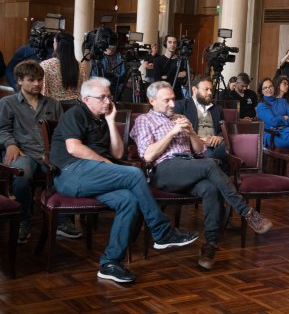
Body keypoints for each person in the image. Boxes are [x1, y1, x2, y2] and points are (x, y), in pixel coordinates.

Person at [50, 77, 199, 282]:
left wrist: (111, 122)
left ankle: (110, 263)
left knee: (128, 200)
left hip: (94, 176)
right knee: (135, 174)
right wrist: (105, 163)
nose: (107, 101)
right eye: (102, 97)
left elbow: (118, 154)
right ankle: (161, 231)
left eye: (109, 96)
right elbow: (73, 148)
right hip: (70, 175)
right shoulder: (75, 114)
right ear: (86, 99)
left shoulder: (103, 119)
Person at [131, 81, 272, 270]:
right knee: (209, 165)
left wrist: (191, 133)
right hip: (164, 170)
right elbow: (147, 155)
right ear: (152, 101)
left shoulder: (181, 118)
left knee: (210, 187)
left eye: (173, 99)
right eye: (166, 101)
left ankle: (210, 244)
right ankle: (247, 212)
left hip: (189, 166)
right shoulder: (143, 120)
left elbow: (199, 151)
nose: (172, 104)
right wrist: (172, 132)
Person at [0, 60, 82, 244]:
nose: (37, 84)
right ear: (19, 80)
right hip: (22, 151)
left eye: (40, 79)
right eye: (31, 80)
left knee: (67, 173)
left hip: (49, 152)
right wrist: (9, 144)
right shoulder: (8, 103)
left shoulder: (53, 103)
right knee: (22, 175)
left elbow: (61, 131)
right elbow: (2, 129)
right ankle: (23, 221)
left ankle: (63, 220)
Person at [173, 75, 226, 162]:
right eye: (206, 89)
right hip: (197, 146)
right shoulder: (181, 106)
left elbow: (224, 129)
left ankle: (210, 163)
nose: (209, 93)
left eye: (211, 90)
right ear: (194, 89)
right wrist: (197, 139)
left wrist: (220, 138)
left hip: (217, 146)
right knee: (218, 156)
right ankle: (212, 163)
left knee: (231, 144)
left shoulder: (217, 108)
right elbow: (177, 130)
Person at [40, 33, 87, 104]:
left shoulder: (46, 65)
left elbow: (43, 90)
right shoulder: (80, 66)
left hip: (53, 106)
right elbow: (84, 89)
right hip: (74, 108)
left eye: (54, 42)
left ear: (56, 45)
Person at [153, 35, 188, 101]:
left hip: (177, 96)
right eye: (170, 42)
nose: (172, 45)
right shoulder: (157, 60)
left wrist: (166, 77)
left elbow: (183, 81)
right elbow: (157, 80)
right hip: (162, 96)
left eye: (174, 42)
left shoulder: (181, 60)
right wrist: (177, 76)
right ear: (165, 43)